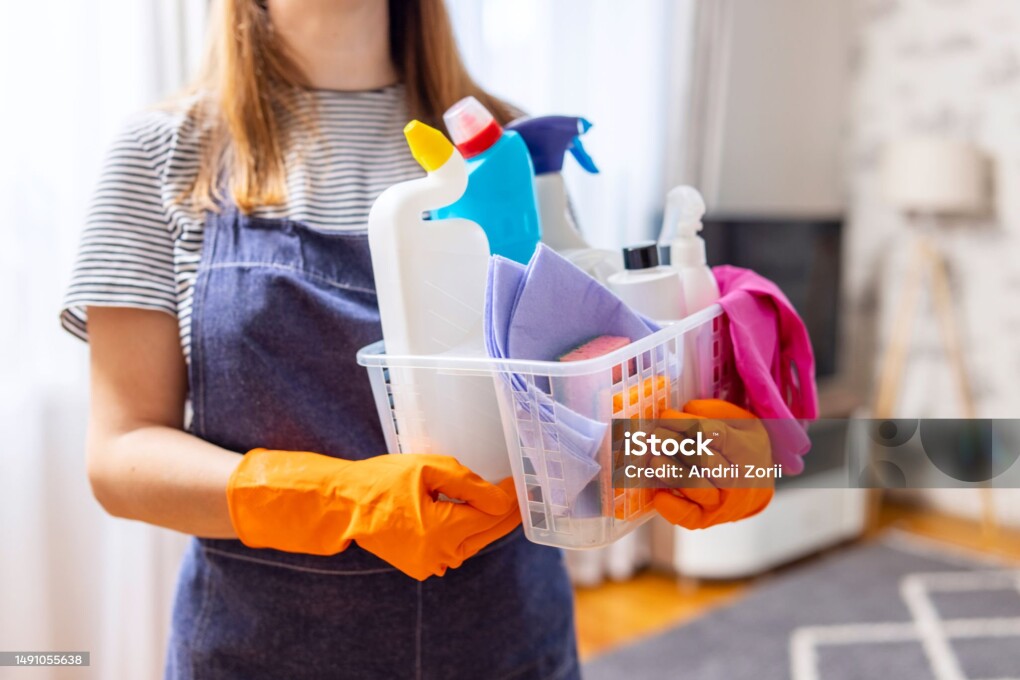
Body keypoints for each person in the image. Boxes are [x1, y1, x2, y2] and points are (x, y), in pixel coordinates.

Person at [61, 1, 579, 678]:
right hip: (258, 655)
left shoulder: (508, 148)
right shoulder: (164, 153)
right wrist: (340, 501)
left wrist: (684, 456)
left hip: (509, 643)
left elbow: (577, 399)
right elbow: (121, 455)